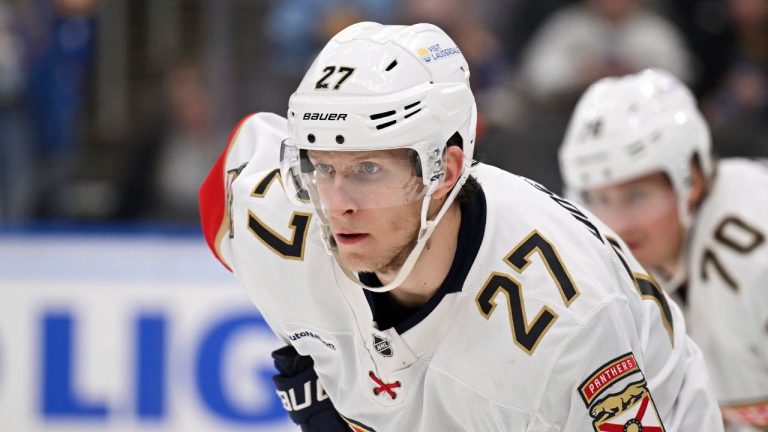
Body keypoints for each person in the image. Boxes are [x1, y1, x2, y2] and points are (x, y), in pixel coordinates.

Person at [200, 23, 724, 431]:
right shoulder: (273, 211)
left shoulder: (567, 322)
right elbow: (229, 176)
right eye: (321, 167)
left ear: (444, 171)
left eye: (368, 170)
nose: (336, 206)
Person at [559, 68, 768, 431]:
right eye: (599, 199)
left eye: (637, 195)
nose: (617, 223)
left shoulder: (752, 253)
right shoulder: (629, 265)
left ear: (692, 180)